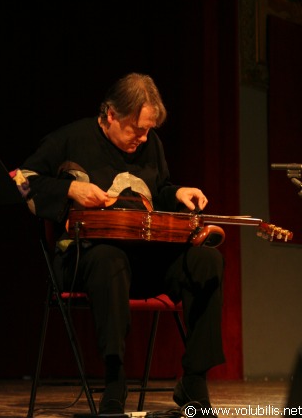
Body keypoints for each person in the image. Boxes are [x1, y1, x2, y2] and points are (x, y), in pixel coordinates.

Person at [17, 72, 225, 416]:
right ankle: (114, 380)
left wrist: (177, 193)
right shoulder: (70, 139)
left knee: (207, 262)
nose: (143, 138)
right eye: (136, 129)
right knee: (109, 259)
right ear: (110, 114)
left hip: (145, 257)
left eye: (148, 130)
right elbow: (20, 183)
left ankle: (195, 380)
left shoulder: (150, 144)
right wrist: (69, 190)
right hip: (87, 260)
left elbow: (158, 194)